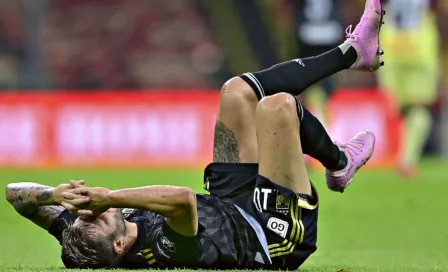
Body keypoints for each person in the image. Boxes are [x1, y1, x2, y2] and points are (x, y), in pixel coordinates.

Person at [5, 0, 384, 269]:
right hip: (269, 234)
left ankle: (352, 53)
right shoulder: (163, 251)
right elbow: (183, 200)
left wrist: (53, 195)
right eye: (99, 218)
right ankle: (338, 161)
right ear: (120, 246)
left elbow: (14, 196)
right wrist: (109, 196)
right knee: (278, 107)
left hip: (227, 202)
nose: (94, 213)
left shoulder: (84, 237)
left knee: (236, 91)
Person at [378, 0, 440, 177]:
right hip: (420, 48)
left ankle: (405, 157)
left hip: (392, 47)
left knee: (403, 109)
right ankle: (407, 159)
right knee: (419, 109)